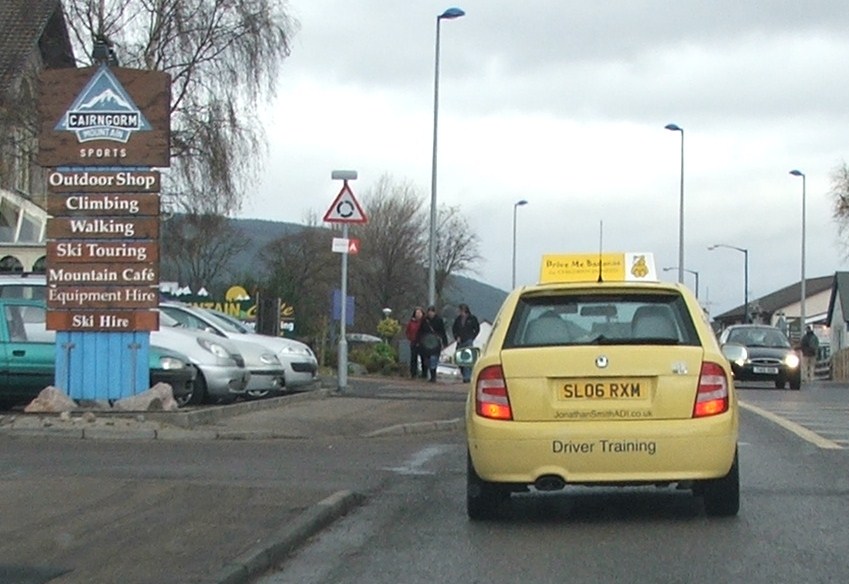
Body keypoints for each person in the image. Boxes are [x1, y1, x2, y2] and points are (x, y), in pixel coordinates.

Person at [416, 305, 448, 382]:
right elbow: (420, 331)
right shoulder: (425, 321)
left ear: (434, 312)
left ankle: (433, 376)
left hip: (435, 343)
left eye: (432, 312)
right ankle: (428, 374)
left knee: (433, 359)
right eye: (429, 312)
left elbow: (442, 331)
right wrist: (419, 340)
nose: (430, 313)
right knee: (427, 360)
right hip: (426, 343)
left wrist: (444, 342)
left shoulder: (439, 320)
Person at [452, 303, 480, 383]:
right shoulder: (458, 319)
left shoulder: (472, 318)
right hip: (460, 341)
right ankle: (464, 373)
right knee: (459, 358)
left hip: (468, 340)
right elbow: (454, 329)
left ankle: (467, 377)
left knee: (467, 359)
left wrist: (472, 337)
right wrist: (456, 336)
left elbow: (477, 328)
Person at [405, 307, 427, 378]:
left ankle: (424, 374)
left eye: (419, 313)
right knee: (413, 358)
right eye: (417, 313)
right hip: (413, 342)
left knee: (424, 358)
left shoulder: (425, 322)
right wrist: (410, 338)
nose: (418, 314)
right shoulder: (411, 322)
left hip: (422, 343)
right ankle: (413, 373)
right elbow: (408, 331)